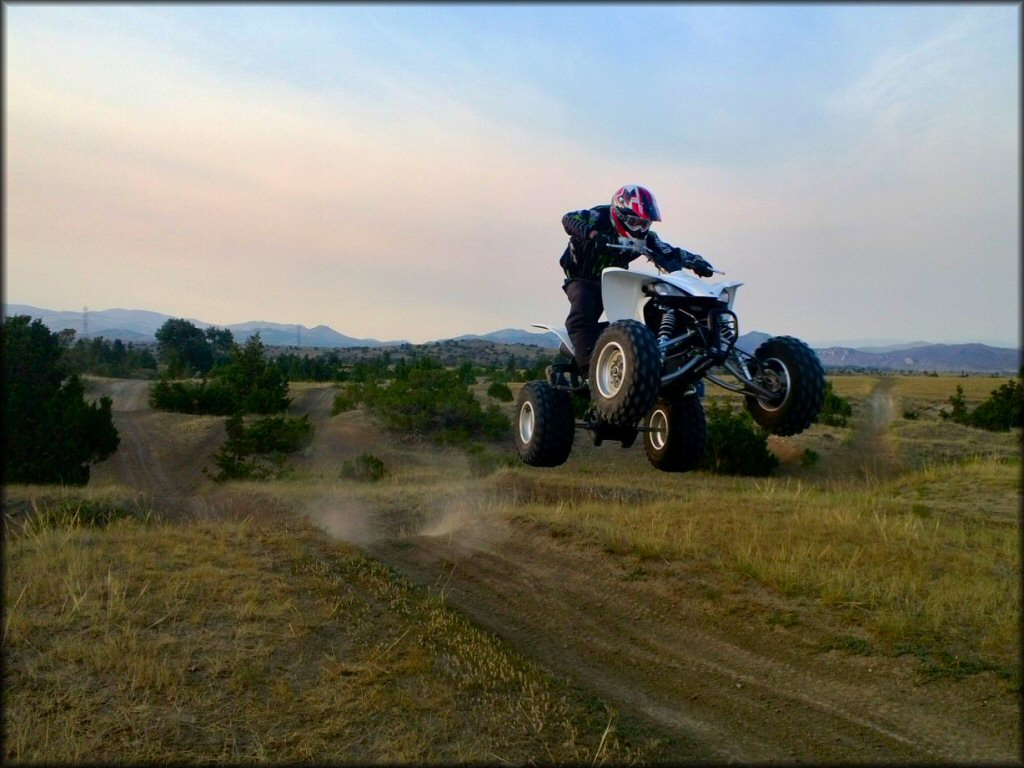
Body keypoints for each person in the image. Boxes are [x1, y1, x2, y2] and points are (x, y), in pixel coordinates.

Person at [559, 184, 712, 380]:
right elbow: (568, 218)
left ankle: (654, 357)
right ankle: (591, 371)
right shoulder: (598, 216)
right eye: (634, 221)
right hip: (583, 278)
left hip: (617, 280)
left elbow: (668, 250)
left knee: (649, 306)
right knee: (582, 310)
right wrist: (593, 235)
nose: (640, 228)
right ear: (618, 214)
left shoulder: (647, 237)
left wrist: (694, 260)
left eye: (645, 223)